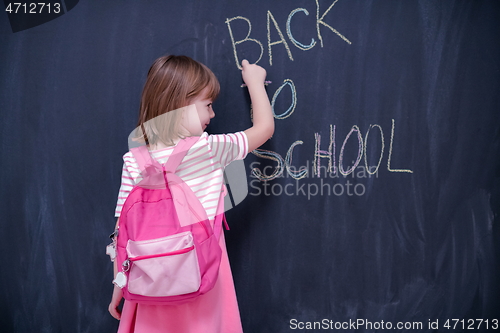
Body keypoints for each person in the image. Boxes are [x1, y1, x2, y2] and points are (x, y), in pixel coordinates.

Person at [108, 55, 274, 333]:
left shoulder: (133, 160)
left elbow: (121, 232)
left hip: (149, 281)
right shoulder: (209, 149)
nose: (212, 115)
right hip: (204, 278)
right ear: (181, 105)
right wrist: (255, 81)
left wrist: (119, 287)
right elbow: (264, 129)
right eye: (208, 105)